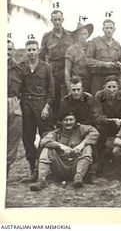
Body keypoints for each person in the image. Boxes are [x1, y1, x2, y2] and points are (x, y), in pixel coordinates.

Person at [30, 112, 99, 191]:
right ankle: (41, 180)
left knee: (88, 147)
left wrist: (81, 145)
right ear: (61, 122)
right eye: (66, 120)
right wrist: (61, 146)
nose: (69, 122)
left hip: (76, 166)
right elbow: (44, 140)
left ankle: (78, 177)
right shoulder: (56, 133)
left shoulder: (81, 129)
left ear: (75, 120)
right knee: (47, 149)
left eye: (71, 120)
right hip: (60, 166)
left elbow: (95, 133)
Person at [20, 40, 55, 182]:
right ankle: (32, 169)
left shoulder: (46, 67)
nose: (32, 52)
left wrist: (47, 107)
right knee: (28, 137)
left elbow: (51, 90)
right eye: (29, 50)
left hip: (41, 103)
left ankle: (43, 168)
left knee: (45, 136)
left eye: (34, 49)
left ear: (38, 50)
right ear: (25, 51)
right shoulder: (20, 67)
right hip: (26, 104)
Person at [39, 10, 74, 117]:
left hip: (67, 70)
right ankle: (54, 126)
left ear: (63, 20)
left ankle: (66, 125)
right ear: (52, 21)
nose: (57, 22)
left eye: (59, 19)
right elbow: (41, 56)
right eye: (55, 20)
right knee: (52, 98)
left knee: (66, 98)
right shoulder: (46, 37)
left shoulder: (71, 36)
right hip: (53, 72)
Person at [93, 75, 121, 174]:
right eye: (109, 87)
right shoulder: (99, 96)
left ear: (118, 87)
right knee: (99, 129)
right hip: (106, 125)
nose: (111, 90)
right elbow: (97, 117)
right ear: (104, 87)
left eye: (114, 87)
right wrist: (112, 120)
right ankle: (101, 162)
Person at [86, 19, 121, 95]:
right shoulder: (95, 42)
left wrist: (119, 65)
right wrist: (104, 64)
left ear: (114, 29)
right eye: (107, 28)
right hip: (98, 78)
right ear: (103, 29)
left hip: (112, 79)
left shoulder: (117, 45)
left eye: (111, 28)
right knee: (97, 99)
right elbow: (87, 60)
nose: (109, 30)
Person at [7, 39, 22, 177]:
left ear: (13, 51)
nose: (7, 52)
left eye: (10, 49)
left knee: (13, 138)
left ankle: (6, 168)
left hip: (13, 102)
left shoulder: (18, 69)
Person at [65, 23, 94, 92]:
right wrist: (69, 86)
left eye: (85, 34)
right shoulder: (71, 49)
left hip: (91, 81)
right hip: (77, 82)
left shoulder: (92, 47)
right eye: (81, 34)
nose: (83, 36)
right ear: (77, 35)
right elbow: (67, 70)